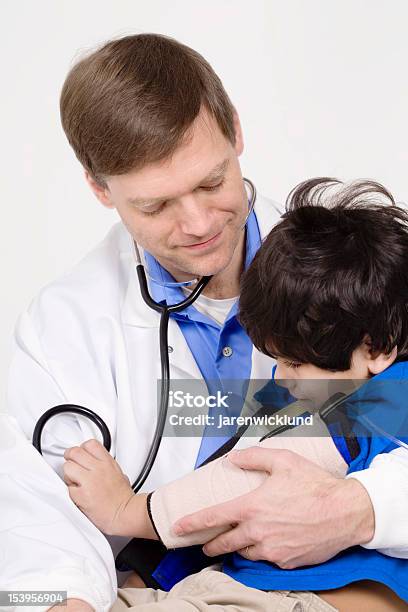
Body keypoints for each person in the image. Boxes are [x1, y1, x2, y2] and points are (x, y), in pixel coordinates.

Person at [3, 33, 408, 610]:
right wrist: (64, 599)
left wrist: (368, 509)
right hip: (167, 580)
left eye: (211, 182)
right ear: (99, 189)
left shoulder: (349, 277)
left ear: (236, 131)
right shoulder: (61, 327)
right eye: (156, 205)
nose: (197, 223)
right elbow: (33, 515)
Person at [62, 178, 408, 611]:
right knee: (37, 598)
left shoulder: (390, 401)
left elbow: (241, 484)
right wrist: (153, 573)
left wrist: (126, 511)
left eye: (296, 364)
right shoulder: (332, 398)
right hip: (224, 583)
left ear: (376, 348)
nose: (281, 379)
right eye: (276, 360)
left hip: (291, 599)